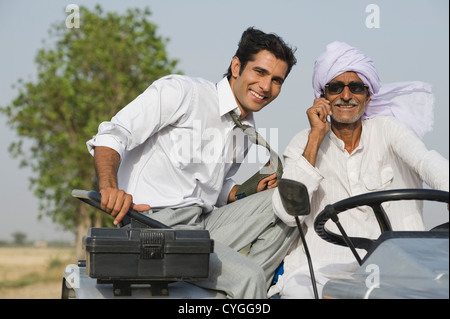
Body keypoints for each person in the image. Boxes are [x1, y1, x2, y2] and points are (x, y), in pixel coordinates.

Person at [86, 27, 298, 298]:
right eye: (260, 72)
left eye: (277, 80)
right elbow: (112, 134)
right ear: (236, 66)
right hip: (156, 227)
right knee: (250, 277)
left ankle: (236, 290)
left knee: (286, 205)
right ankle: (245, 284)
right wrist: (109, 187)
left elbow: (213, 188)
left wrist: (244, 192)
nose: (266, 87)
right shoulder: (183, 92)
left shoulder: (245, 129)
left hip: (201, 226)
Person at [268, 41, 449, 299]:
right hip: (323, 270)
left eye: (355, 87)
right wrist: (316, 137)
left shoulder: (388, 130)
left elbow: (426, 161)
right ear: (322, 97)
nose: (345, 95)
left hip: (396, 268)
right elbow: (287, 212)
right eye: (335, 88)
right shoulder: (304, 142)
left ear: (368, 95)